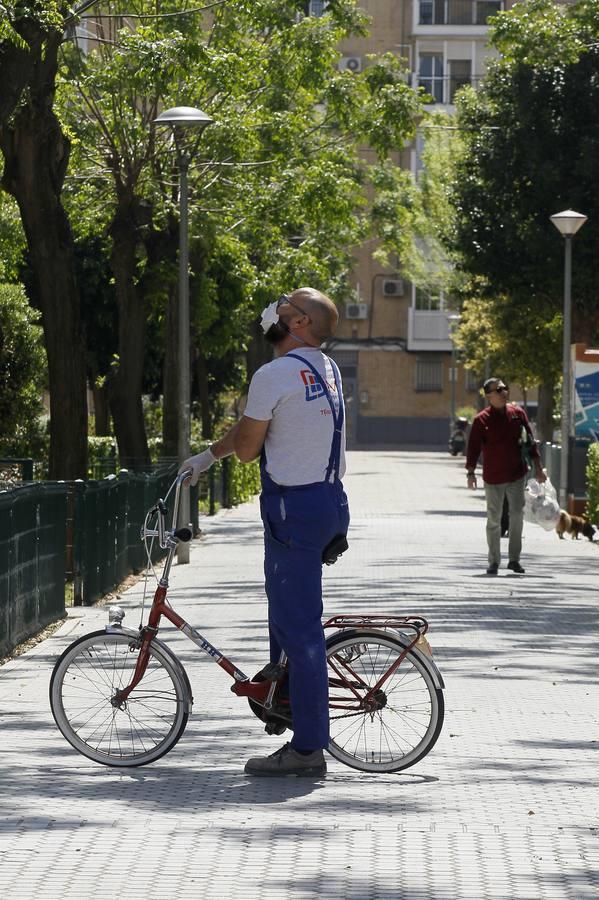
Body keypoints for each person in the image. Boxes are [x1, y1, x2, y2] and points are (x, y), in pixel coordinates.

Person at [179, 288, 349, 777]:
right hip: (328, 502)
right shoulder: (326, 369)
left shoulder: (273, 374)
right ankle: (283, 695)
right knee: (285, 611)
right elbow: (261, 428)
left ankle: (308, 748)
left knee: (301, 631)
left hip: (294, 509)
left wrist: (216, 454)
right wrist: (209, 456)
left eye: (284, 306)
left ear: (297, 323)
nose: (273, 311)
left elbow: (251, 447)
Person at [465, 377, 546, 576]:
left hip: (516, 474)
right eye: (498, 390)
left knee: (517, 516)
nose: (503, 392)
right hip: (492, 477)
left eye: (504, 389)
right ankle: (493, 562)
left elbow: (531, 443)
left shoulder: (518, 414)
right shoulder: (481, 420)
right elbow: (473, 448)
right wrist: (470, 472)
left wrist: (538, 467)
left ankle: (514, 560)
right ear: (488, 396)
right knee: (494, 519)